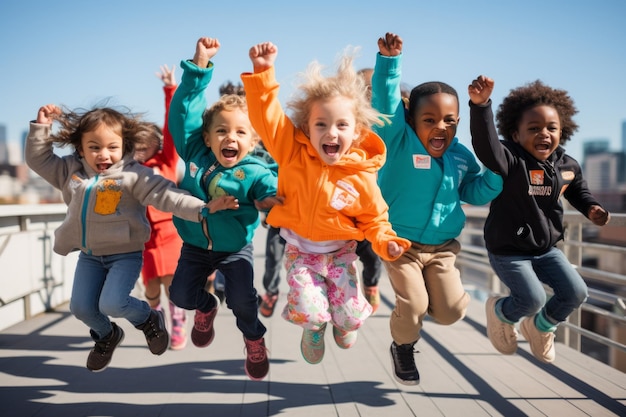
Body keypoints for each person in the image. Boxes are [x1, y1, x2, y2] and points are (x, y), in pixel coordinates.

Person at [241, 41, 411, 365]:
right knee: (310, 309)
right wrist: (263, 74)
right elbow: (267, 119)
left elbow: (375, 219)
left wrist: (386, 241)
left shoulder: (361, 175)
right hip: (300, 253)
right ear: (307, 127)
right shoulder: (292, 151)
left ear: (357, 131)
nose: (331, 132)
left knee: (349, 318)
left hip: (341, 254)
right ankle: (315, 327)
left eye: (341, 125)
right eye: (321, 124)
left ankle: (342, 321)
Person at [25, 103, 216, 372]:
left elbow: (167, 195)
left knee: (112, 303)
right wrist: (41, 129)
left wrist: (202, 209)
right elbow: (38, 160)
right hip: (90, 256)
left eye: (112, 147)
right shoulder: (70, 171)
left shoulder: (133, 175)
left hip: (124, 255)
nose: (104, 155)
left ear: (125, 146)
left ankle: (149, 318)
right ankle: (107, 336)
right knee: (81, 308)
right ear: (80, 148)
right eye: (94, 147)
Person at [371, 32, 503, 385]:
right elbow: (385, 106)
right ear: (412, 120)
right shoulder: (398, 142)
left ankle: (423, 303)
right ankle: (403, 344)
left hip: (443, 249)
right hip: (400, 245)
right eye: (429, 119)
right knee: (413, 306)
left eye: (449, 120)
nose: (439, 126)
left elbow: (474, 193)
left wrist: (497, 173)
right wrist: (389, 62)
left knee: (451, 312)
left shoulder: (460, 156)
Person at [468, 75, 611, 364]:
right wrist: (481, 107)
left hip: (547, 250)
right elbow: (487, 147)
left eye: (551, 128)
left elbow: (579, 193)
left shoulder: (567, 165)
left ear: (563, 131)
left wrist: (592, 209)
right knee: (532, 298)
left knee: (576, 292)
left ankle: (540, 327)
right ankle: (500, 312)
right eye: (533, 128)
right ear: (516, 134)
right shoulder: (510, 158)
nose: (543, 133)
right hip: (509, 251)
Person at [168, 37, 278, 381]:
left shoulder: (256, 170)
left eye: (240, 132)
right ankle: (206, 307)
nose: (231, 138)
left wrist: (271, 201)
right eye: (222, 131)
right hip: (195, 246)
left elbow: (269, 189)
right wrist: (199, 66)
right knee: (181, 295)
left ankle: (254, 338)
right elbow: (183, 112)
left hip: (235, 249)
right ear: (207, 138)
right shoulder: (197, 157)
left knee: (243, 299)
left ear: (253, 140)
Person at [133, 65, 188, 350]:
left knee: (171, 283)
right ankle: (158, 318)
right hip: (144, 237)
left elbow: (171, 126)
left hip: (170, 232)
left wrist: (170, 89)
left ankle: (177, 326)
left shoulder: (166, 160)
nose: (143, 145)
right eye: (137, 142)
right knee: (152, 290)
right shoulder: (131, 169)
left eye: (147, 139)